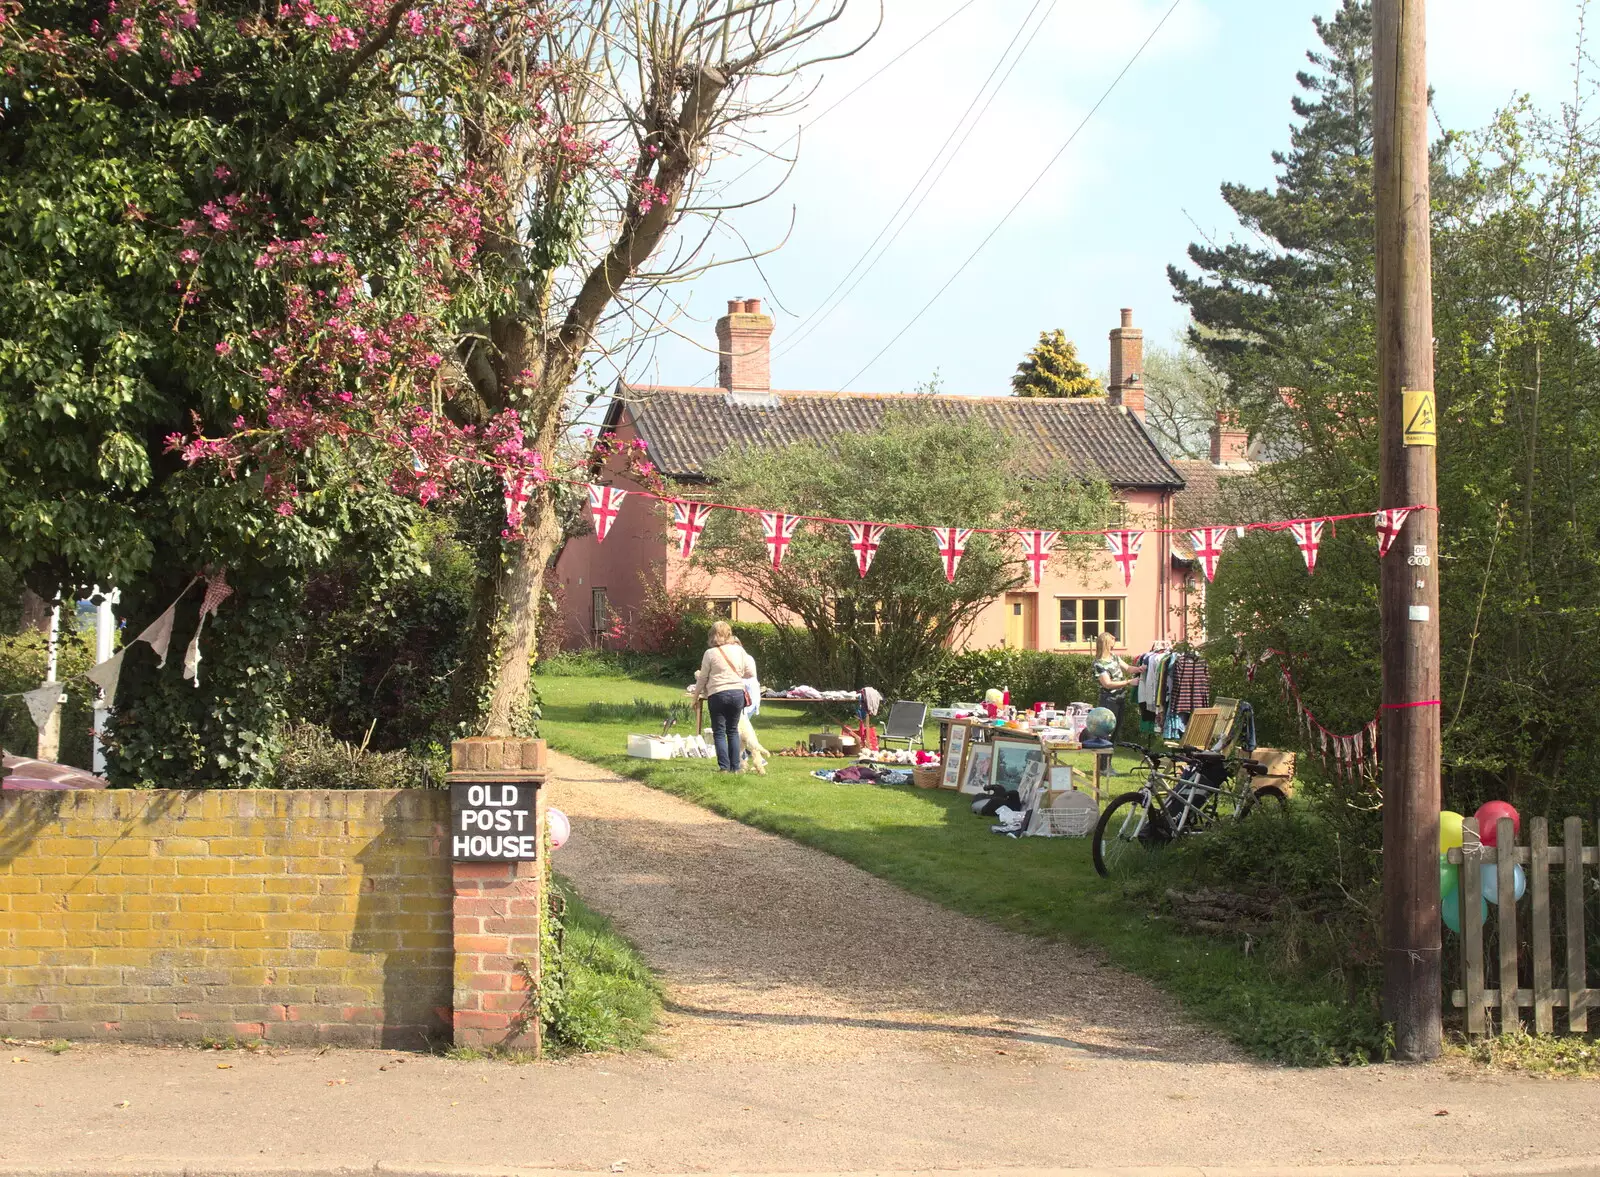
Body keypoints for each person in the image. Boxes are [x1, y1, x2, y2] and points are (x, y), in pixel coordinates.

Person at [692, 620, 756, 773]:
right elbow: (751, 672)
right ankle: (736, 767)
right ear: (728, 634)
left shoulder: (710, 653)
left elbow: (703, 678)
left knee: (719, 731)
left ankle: (724, 768)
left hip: (717, 694)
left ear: (712, 635)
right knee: (733, 730)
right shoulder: (739, 651)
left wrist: (695, 697)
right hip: (737, 693)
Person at [1093, 631, 1137, 775]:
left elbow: (1129, 668)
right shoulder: (1099, 663)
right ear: (1106, 642)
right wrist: (1129, 682)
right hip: (1108, 700)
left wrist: (1141, 669)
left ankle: (1107, 766)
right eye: (1112, 638)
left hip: (1119, 699)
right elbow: (1107, 684)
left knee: (1115, 733)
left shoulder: (1114, 657)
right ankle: (1103, 767)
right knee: (1106, 733)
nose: (1115, 640)